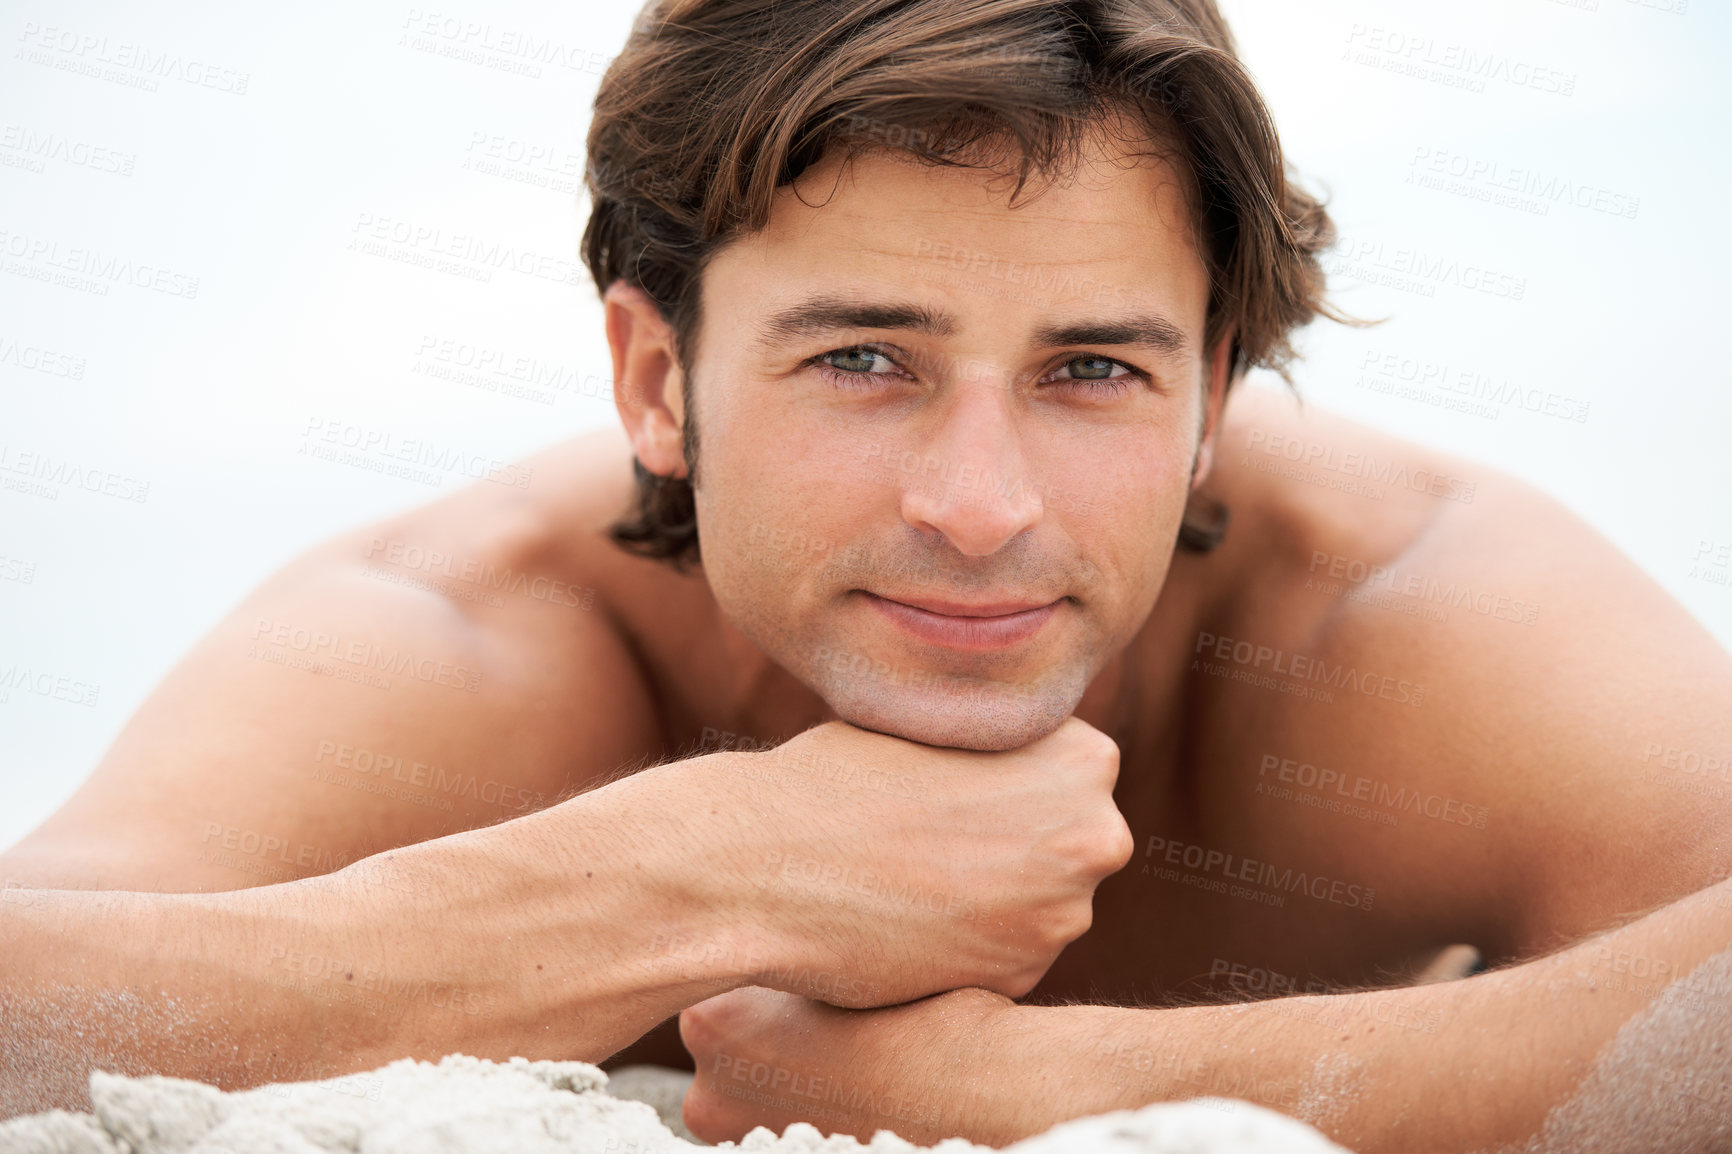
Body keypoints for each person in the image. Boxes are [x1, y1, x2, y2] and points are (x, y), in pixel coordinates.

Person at [4, 1, 1730, 1149]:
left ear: (1215, 399)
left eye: (1094, 371)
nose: (979, 507)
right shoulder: (477, 634)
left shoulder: (1386, 619)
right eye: (863, 361)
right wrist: (685, 871)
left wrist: (1014, 1090)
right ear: (657, 383)